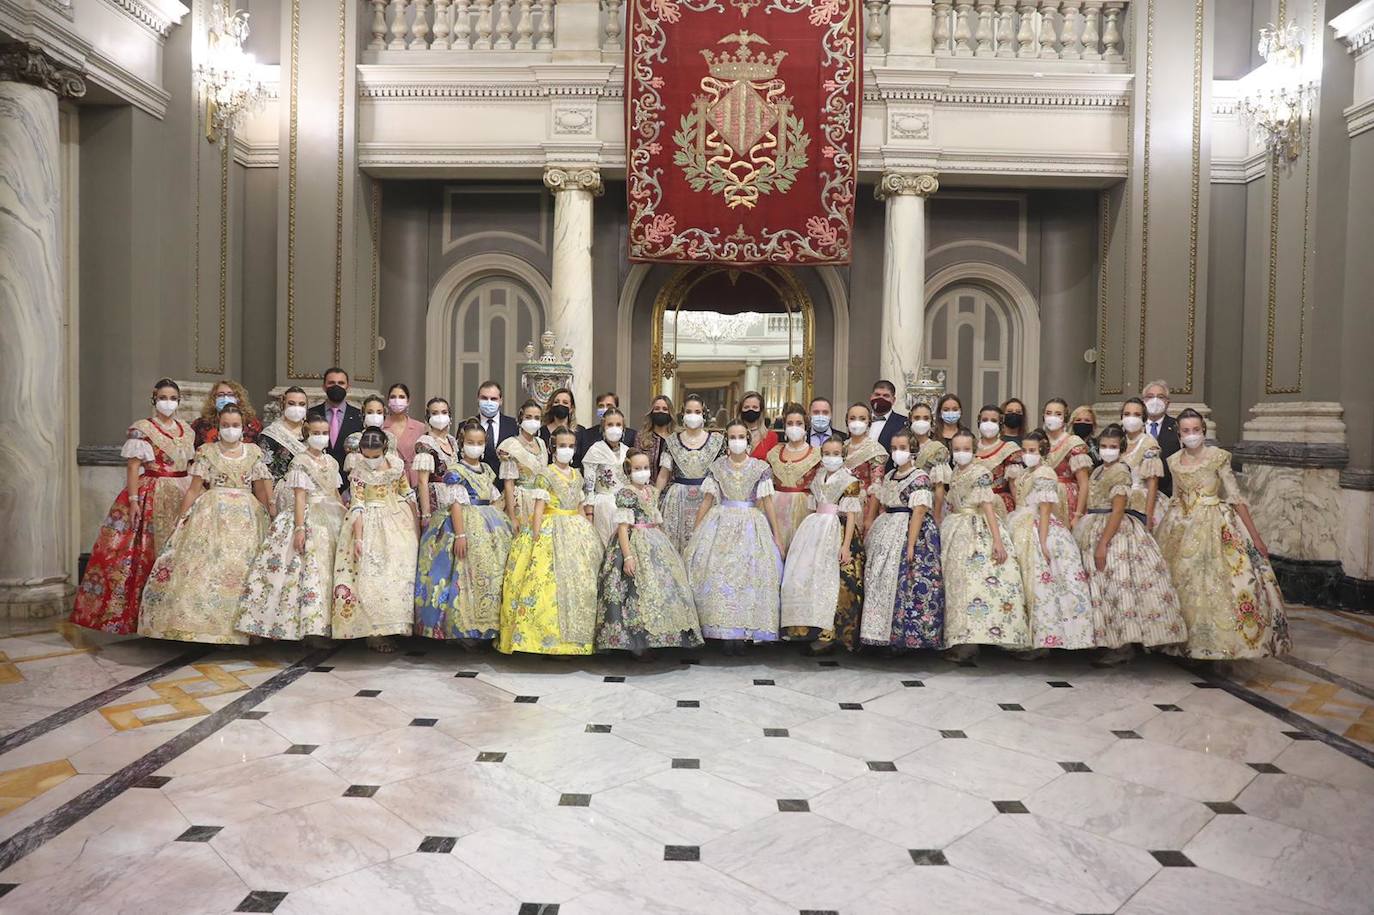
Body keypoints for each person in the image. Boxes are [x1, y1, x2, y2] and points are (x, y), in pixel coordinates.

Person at [1156, 410, 1291, 660]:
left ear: (1204, 431)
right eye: (1186, 431)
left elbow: (1236, 498)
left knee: (1217, 581)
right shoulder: (1173, 460)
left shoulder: (1218, 457)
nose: (1191, 435)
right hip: (1179, 525)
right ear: (1179, 434)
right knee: (1181, 582)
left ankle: (1218, 645)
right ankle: (1180, 640)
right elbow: (1175, 496)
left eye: (1196, 430)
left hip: (1214, 523)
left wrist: (1256, 537)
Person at [138, 404, 272, 645]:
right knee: (207, 565)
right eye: (225, 425)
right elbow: (193, 490)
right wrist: (181, 518)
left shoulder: (253, 453)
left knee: (244, 568)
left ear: (243, 428)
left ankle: (244, 628)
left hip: (247, 515)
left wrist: (270, 515)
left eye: (235, 425)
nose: (230, 430)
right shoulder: (206, 452)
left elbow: (261, 489)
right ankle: (206, 626)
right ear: (218, 427)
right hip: (212, 512)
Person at [71, 378, 196, 634]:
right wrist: (134, 499)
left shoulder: (186, 429)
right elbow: (133, 466)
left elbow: (192, 463)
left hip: (184, 490)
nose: (168, 402)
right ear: (154, 398)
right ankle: (141, 615)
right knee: (146, 552)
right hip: (154, 491)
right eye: (164, 397)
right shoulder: (143, 429)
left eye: (173, 398)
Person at [1073, 424, 1187, 666]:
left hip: (1113, 532)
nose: (1107, 450)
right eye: (1104, 446)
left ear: (1121, 449)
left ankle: (1122, 645)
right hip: (1092, 526)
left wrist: (1104, 542)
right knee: (1100, 587)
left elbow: (1117, 510)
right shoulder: (1097, 472)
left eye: (1113, 447)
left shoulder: (1121, 472)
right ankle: (1105, 639)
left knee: (1117, 585)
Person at [236, 414, 346, 642]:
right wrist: (298, 528)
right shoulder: (300, 462)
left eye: (324, 433)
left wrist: (344, 515)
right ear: (307, 435)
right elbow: (299, 497)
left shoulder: (332, 462)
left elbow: (334, 492)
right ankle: (308, 628)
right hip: (307, 516)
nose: (321, 437)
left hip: (331, 516)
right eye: (316, 433)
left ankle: (331, 625)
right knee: (305, 572)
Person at [499, 427, 603, 656]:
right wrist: (536, 536)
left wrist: (589, 530)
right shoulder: (545, 474)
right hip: (550, 526)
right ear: (553, 448)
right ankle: (546, 641)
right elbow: (538, 509)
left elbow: (579, 505)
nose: (566, 450)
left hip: (576, 529)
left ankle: (576, 640)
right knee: (546, 583)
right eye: (562, 446)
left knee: (580, 582)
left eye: (571, 446)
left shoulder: (577, 475)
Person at [685, 421, 783, 652]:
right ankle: (722, 633)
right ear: (726, 440)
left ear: (748, 441)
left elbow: (768, 503)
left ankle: (743, 633)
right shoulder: (717, 467)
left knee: (749, 575)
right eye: (732, 436)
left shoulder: (760, 468)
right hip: (720, 522)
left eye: (741, 436)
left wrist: (777, 536)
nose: (736, 440)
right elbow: (707, 501)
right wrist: (696, 533)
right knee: (718, 575)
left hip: (751, 522)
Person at [414, 417, 512, 646]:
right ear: (462, 441)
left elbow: (493, 496)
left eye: (479, 442)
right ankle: (463, 629)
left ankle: (487, 627)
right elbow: (455, 504)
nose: (474, 446)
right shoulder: (455, 471)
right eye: (470, 441)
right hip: (463, 523)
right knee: (461, 574)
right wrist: (460, 534)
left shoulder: (487, 469)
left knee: (490, 575)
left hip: (489, 522)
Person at [596, 449, 703, 656]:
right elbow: (623, 527)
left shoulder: (652, 492)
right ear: (629, 470)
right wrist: (627, 556)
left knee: (662, 588)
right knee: (635, 591)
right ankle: (638, 644)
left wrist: (666, 548)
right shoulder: (626, 493)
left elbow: (655, 519)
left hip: (654, 539)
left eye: (645, 468)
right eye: (637, 468)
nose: (642, 472)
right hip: (633, 542)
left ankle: (662, 637)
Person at [940, 429, 1029, 660]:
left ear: (974, 450)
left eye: (966, 449)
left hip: (977, 530)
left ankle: (976, 639)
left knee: (977, 584)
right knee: (959, 585)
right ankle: (962, 638)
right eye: (957, 449)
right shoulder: (955, 474)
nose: (961, 454)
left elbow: (988, 507)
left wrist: (997, 540)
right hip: (956, 529)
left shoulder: (980, 472)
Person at [1004, 431, 1095, 655]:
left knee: (1042, 585)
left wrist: (1043, 543)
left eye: (1032, 451)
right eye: (1024, 451)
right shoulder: (1027, 472)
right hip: (1022, 524)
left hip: (1039, 529)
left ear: (1043, 451)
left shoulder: (1044, 473)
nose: (1027, 455)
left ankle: (1045, 640)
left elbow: (1045, 510)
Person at [331, 427, 420, 653]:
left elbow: (407, 492)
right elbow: (358, 504)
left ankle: (394, 625)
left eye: (375, 455)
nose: (371, 460)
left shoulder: (396, 465)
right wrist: (359, 538)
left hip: (396, 518)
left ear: (385, 450)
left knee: (398, 573)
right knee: (371, 574)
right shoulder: (359, 471)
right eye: (367, 455)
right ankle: (373, 632)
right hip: (369, 520)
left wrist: (417, 522)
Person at [860, 429, 944, 651]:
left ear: (912, 450)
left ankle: (901, 638)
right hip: (887, 527)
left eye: (903, 448)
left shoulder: (920, 477)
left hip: (909, 531)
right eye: (895, 448)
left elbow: (918, 511)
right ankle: (877, 634)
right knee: (878, 580)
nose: (898, 452)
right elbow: (880, 501)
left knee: (906, 584)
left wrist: (910, 544)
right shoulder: (889, 476)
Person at [781, 438, 864, 652]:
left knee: (835, 582)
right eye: (827, 453)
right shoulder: (818, 476)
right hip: (815, 527)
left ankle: (831, 635)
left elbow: (852, 515)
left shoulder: (848, 480)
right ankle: (810, 628)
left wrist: (846, 546)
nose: (831, 457)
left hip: (837, 529)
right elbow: (812, 507)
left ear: (843, 455)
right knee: (808, 577)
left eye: (836, 453)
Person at [657, 394, 724, 553]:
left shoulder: (717, 441)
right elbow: (663, 474)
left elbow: (722, 474)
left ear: (704, 415)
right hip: (678, 500)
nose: (693, 415)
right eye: (689, 411)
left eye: (697, 411)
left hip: (708, 497)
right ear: (683, 414)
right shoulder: (671, 441)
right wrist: (653, 498)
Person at [765, 403, 821, 552]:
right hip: (775, 509)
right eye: (790, 423)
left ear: (806, 426)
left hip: (805, 510)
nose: (794, 427)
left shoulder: (817, 454)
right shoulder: (774, 453)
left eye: (799, 423)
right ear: (784, 426)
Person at [498, 400, 551, 534]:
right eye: (528, 417)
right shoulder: (510, 445)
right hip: (520, 502)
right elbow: (509, 483)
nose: (533, 421)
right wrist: (512, 516)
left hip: (541, 500)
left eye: (537, 418)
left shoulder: (541, 443)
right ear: (521, 418)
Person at [257, 387, 310, 517]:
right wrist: (270, 504)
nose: (296, 408)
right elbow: (264, 474)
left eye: (301, 404)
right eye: (291, 403)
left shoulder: (312, 432)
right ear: (283, 404)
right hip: (283, 497)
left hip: (311, 494)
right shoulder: (271, 434)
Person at [582, 407, 631, 543]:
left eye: (618, 425)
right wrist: (589, 513)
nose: (614, 428)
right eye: (610, 425)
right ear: (603, 428)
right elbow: (589, 485)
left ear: (623, 428)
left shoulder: (627, 451)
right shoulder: (595, 450)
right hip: (603, 506)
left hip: (624, 506)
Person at [309, 367, 362, 491]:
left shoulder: (359, 416)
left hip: (350, 483)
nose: (336, 386)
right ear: (324, 386)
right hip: (317, 481)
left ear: (348, 387)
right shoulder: (311, 414)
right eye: (331, 383)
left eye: (341, 383)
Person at [1042, 397, 1092, 527]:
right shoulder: (1040, 441)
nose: (1052, 417)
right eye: (1048, 413)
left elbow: (1084, 482)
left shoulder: (1073, 443)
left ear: (1065, 417)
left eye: (1058, 414)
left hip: (1065, 500)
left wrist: (1078, 515)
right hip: (1041, 497)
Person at [1120, 397, 1166, 528]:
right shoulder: (1118, 441)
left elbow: (1153, 484)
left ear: (1144, 418)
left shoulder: (1149, 443)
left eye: (1137, 415)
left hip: (1141, 501)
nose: (1131, 418)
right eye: (1127, 414)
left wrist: (1148, 516)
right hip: (1119, 500)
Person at [842, 401, 888, 531]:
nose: (857, 422)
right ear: (847, 421)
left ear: (869, 422)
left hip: (863, 506)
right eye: (852, 418)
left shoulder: (875, 450)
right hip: (841, 504)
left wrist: (870, 518)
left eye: (862, 418)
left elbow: (877, 486)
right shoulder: (842, 447)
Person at [974, 403, 1023, 515]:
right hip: (974, 503)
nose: (989, 424)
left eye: (993, 420)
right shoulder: (971, 448)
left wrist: (1021, 512)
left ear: (1001, 423)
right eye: (985, 420)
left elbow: (1014, 485)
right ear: (979, 422)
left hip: (999, 505)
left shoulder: (1009, 449)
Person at [383, 383, 428, 489]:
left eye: (402, 397)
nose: (397, 400)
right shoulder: (381, 427)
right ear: (388, 401)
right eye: (393, 397)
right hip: (389, 480)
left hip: (415, 480)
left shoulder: (420, 427)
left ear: (408, 401)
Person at [192, 379, 261, 448]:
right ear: (213, 399)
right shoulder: (200, 425)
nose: (225, 398)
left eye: (230, 395)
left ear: (239, 398)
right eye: (220, 395)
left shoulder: (253, 425)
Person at [1143, 379, 1181, 497]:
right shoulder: (1133, 427)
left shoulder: (1177, 427)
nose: (1155, 400)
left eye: (1160, 397)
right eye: (1150, 396)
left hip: (1167, 493)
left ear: (1167, 402)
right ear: (1143, 401)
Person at [476, 380, 518, 479]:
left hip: (506, 483)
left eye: (493, 399)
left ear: (500, 401)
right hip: (477, 483)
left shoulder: (513, 425)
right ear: (478, 399)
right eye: (484, 398)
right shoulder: (467, 425)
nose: (489, 402)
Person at [910, 403, 952, 495]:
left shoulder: (938, 449)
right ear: (910, 419)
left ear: (931, 421)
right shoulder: (904, 446)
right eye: (917, 418)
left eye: (925, 418)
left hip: (930, 500)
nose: (921, 422)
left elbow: (939, 487)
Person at [539, 388, 586, 467]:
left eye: (565, 402)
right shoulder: (541, 432)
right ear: (551, 406)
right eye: (556, 402)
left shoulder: (580, 432)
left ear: (571, 408)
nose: (560, 405)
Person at [583, 392, 638, 456]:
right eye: (601, 406)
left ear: (616, 408)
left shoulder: (631, 435)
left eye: (609, 405)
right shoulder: (588, 434)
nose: (605, 409)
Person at [639, 395, 676, 479]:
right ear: (651, 412)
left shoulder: (676, 438)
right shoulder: (641, 437)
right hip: (648, 487)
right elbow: (636, 464)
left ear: (670, 413)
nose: (661, 411)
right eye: (657, 408)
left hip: (673, 488)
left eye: (665, 409)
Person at [869, 380, 907, 452]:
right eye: (877, 395)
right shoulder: (860, 419)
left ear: (893, 400)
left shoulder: (903, 423)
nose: (881, 398)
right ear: (871, 397)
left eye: (886, 396)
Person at [738, 391, 773, 455]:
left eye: (755, 407)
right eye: (746, 407)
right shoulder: (731, 435)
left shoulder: (771, 437)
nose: (750, 410)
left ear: (761, 411)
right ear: (740, 410)